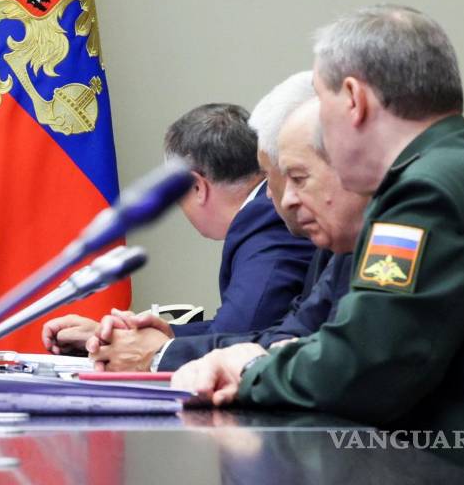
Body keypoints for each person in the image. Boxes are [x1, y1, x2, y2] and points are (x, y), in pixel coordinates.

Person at [173, 6, 464, 485]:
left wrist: (251, 369)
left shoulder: (424, 194)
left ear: (353, 100)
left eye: (321, 106)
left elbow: (363, 369)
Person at [91, 96, 365, 372]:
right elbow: (287, 329)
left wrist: (157, 352)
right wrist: (160, 337)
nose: (280, 196)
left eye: (298, 177)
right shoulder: (268, 216)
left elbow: (244, 333)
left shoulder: (267, 220)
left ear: (197, 187)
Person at [42, 103, 314, 355]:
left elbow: (234, 338)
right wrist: (151, 334)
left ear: (196, 187)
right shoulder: (260, 216)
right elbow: (242, 329)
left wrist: (150, 349)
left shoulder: (266, 219)